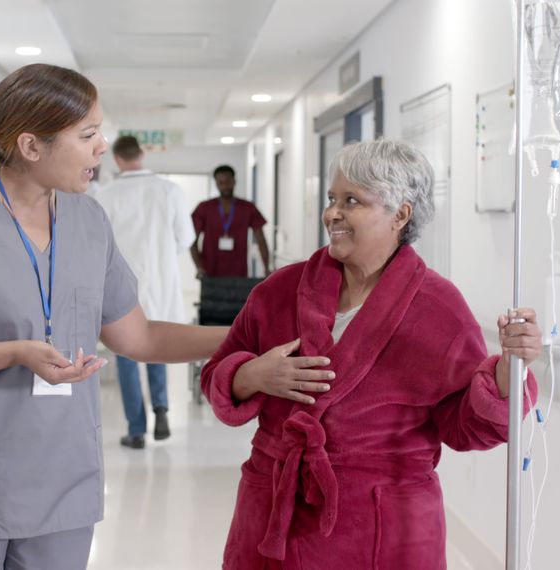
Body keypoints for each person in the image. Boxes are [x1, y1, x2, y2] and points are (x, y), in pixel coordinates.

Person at [0, 63, 226, 570]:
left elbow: (136, 336)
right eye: (88, 133)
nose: (102, 146)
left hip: (63, 482)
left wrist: (245, 334)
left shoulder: (89, 220)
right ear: (32, 146)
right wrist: (15, 352)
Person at [200, 139, 542, 569]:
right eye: (331, 199)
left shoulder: (438, 308)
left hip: (382, 525)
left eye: (352, 201)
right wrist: (253, 375)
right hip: (272, 515)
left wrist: (510, 371)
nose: (332, 214)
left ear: (401, 213)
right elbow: (214, 376)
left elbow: (465, 426)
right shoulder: (278, 292)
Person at [95, 135, 195, 449]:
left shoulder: (106, 195)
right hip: (162, 282)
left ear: (118, 159)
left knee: (126, 354)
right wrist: (162, 255)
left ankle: (136, 430)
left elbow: (99, 245)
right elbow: (185, 239)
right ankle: (161, 409)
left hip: (121, 286)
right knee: (157, 346)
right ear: (141, 154)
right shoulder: (170, 191)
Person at [190, 165, 271, 278]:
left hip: (239, 272)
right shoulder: (204, 208)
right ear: (216, 184)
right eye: (221, 182)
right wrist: (199, 267)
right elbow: (192, 241)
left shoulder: (247, 208)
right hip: (209, 272)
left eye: (228, 181)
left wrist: (267, 268)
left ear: (234, 181)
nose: (225, 186)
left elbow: (261, 240)